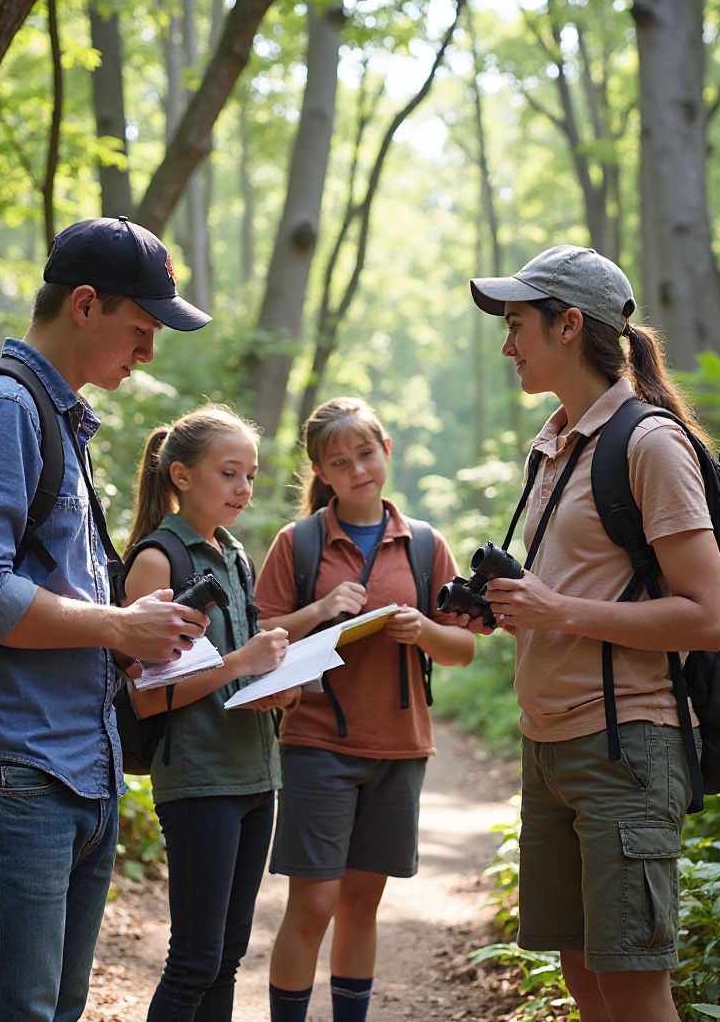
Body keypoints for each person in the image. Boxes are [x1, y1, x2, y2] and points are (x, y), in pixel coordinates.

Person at [0, 216, 213, 1022]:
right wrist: (118, 626)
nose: (148, 352)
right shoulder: (1, 410)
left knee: (55, 1008)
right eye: (141, 329)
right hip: (15, 765)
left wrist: (135, 634)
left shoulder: (59, 421)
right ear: (85, 304)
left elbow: (52, 593)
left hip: (75, 767)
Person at [465, 245, 720, 1022]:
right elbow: (577, 591)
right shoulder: (556, 443)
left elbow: (707, 618)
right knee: (582, 973)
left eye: (517, 325)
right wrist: (507, 608)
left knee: (633, 985)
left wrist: (557, 610)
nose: (508, 347)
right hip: (549, 744)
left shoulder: (649, 444)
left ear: (569, 325)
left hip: (626, 748)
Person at [254, 397, 475, 1022]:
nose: (357, 470)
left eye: (366, 454)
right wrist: (320, 611)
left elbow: (463, 649)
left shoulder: (426, 545)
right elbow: (259, 636)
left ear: (387, 451)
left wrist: (423, 631)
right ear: (320, 472)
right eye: (339, 462)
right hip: (316, 743)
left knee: (360, 904)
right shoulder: (297, 544)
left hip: (399, 746)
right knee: (314, 904)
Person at [123, 404, 291, 1022]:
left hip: (256, 775)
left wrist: (277, 683)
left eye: (250, 475)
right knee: (194, 960)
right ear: (182, 475)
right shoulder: (157, 560)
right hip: (199, 781)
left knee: (227, 959)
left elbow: (237, 670)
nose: (244, 488)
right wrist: (240, 663)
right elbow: (146, 696)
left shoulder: (236, 555)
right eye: (229, 473)